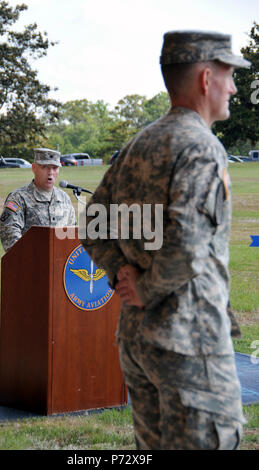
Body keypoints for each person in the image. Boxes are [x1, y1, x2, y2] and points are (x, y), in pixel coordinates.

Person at [81, 31, 250, 450]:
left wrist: (124, 273)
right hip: (189, 341)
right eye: (229, 75)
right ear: (206, 79)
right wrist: (145, 286)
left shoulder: (139, 143)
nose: (233, 87)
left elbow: (93, 223)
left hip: (140, 339)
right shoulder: (201, 148)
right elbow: (189, 243)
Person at [0, 148, 76, 252]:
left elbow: (71, 235)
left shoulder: (64, 198)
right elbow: (9, 235)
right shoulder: (18, 198)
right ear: (34, 168)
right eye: (44, 167)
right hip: (30, 263)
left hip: (60, 264)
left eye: (54, 168)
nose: (50, 173)